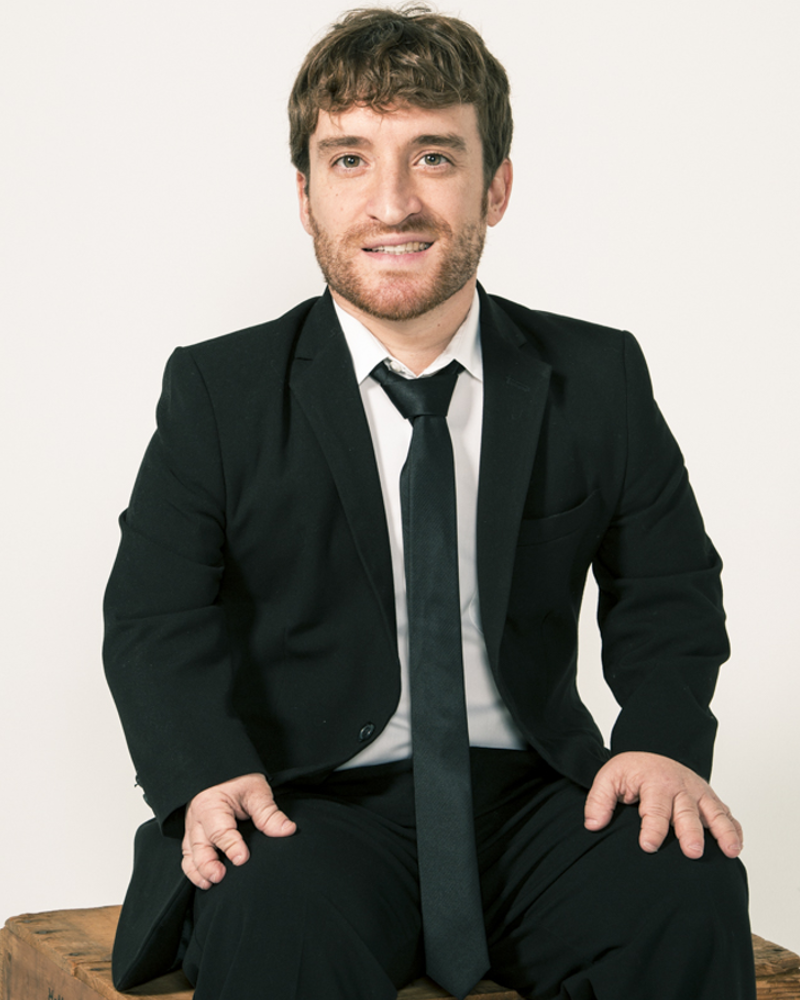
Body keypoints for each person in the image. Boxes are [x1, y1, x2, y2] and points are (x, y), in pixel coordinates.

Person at [103, 7, 756, 1000]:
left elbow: (665, 583)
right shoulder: (218, 392)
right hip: (309, 798)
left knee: (682, 884)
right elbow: (156, 614)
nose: (392, 203)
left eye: (434, 158)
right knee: (270, 914)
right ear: (305, 195)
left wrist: (661, 739)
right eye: (351, 161)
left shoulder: (597, 375)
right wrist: (203, 770)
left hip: (535, 798)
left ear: (494, 187)